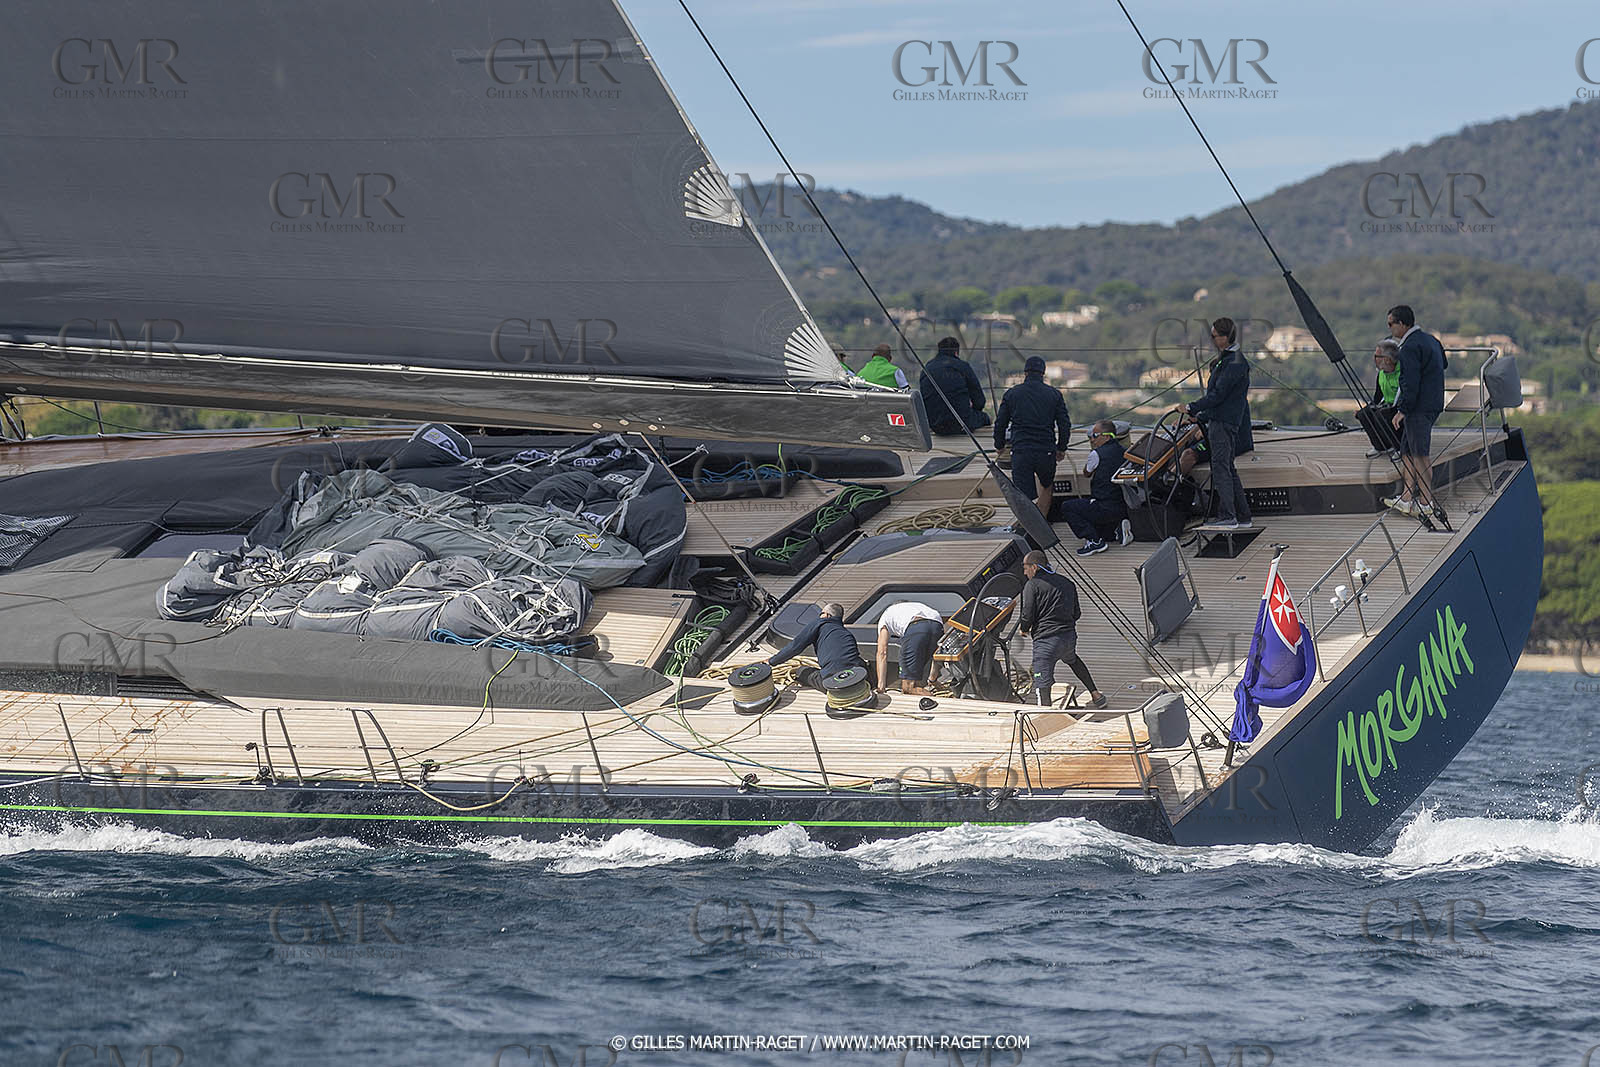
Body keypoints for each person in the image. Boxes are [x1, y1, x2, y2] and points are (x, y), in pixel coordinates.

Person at [1174, 317, 1252, 529]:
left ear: (1225, 337)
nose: (1212, 340)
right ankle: (1243, 516)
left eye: (1214, 336)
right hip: (1221, 419)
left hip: (1223, 423)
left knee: (1220, 468)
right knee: (1228, 468)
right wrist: (1200, 417)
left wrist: (1191, 407)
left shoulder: (1233, 362)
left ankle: (1228, 516)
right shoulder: (1229, 359)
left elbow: (1218, 395)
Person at [1017, 550, 1105, 708]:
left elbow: (1027, 613)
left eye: (1025, 568)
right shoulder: (1067, 583)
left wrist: (1024, 629)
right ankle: (1096, 694)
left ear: (1035, 567)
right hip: (1068, 638)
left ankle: (1046, 715)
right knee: (1072, 660)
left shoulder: (1031, 585)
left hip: (1046, 643)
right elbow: (1077, 613)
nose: (1024, 572)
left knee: (1041, 681)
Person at [1383, 305, 1446, 518]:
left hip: (1419, 407)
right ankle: (1407, 498)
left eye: (1391, 324)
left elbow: (1410, 381)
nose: (1390, 328)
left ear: (1402, 324)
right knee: (1407, 451)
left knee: (1420, 454)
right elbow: (1443, 364)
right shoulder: (1432, 340)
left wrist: (1402, 410)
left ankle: (1427, 502)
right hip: (1433, 401)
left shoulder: (1408, 347)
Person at [993, 354, 1071, 516]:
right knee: (1047, 485)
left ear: (1025, 373)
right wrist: (1061, 448)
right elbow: (1064, 424)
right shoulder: (1054, 394)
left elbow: (1000, 423)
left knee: (1023, 495)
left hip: (1021, 450)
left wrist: (999, 446)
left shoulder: (1012, 394)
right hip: (1046, 450)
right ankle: (1043, 521)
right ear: (1043, 373)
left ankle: (1029, 526)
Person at [1058, 420, 1133, 556]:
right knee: (1096, 519)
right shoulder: (1125, 452)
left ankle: (1094, 542)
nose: (1092, 439)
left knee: (1068, 507)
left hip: (1104, 506)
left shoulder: (1096, 454)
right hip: (1121, 507)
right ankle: (1117, 529)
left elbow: (1086, 473)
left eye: (1094, 435)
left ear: (1106, 436)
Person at [766, 601, 864, 688]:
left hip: (832, 683)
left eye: (821, 614)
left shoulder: (819, 623)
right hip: (856, 678)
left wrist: (771, 661)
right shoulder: (847, 633)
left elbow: (795, 647)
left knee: (801, 671)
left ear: (827, 615)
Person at [919, 336, 990, 435]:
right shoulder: (962, 366)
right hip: (961, 423)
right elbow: (979, 401)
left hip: (935, 424)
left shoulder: (927, 368)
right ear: (956, 352)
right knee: (985, 418)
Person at [875, 601, 943, 696]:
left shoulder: (885, 616)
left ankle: (935, 702)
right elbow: (936, 655)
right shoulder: (914, 606)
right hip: (937, 624)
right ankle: (933, 684)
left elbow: (882, 652)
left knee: (908, 688)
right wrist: (933, 679)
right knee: (917, 680)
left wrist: (881, 686)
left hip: (916, 627)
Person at [1372, 338, 1401, 406]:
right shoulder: (1381, 374)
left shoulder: (1404, 374)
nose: (1374, 359)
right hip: (1387, 409)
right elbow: (1377, 399)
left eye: (1376, 356)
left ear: (1387, 360)